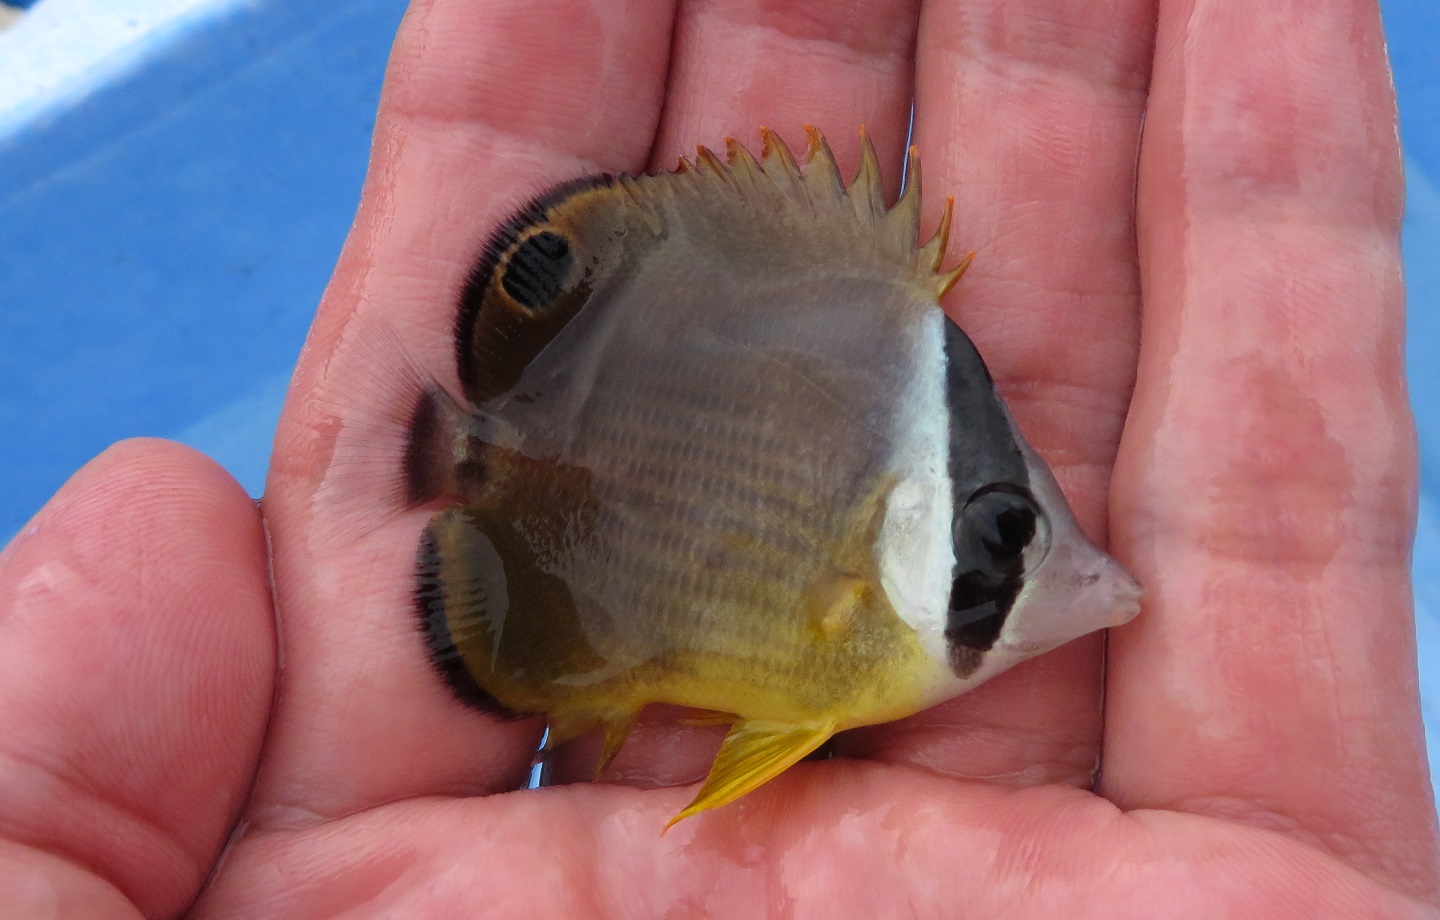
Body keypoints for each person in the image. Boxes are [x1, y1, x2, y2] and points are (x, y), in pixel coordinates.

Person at [2, 0, 1436, 916]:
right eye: (1008, 532)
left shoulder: (885, 556)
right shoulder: (859, 624)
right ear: (902, 534)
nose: (1061, 567)